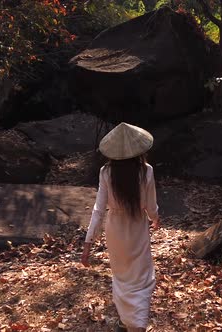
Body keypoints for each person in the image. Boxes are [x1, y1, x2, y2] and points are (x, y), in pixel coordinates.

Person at [81, 122, 160, 332]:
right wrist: (155, 218)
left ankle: (127, 322)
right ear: (139, 149)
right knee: (141, 278)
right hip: (137, 227)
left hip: (114, 229)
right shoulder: (147, 171)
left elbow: (98, 209)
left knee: (122, 277)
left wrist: (88, 243)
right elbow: (151, 205)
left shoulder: (106, 172)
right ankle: (137, 324)